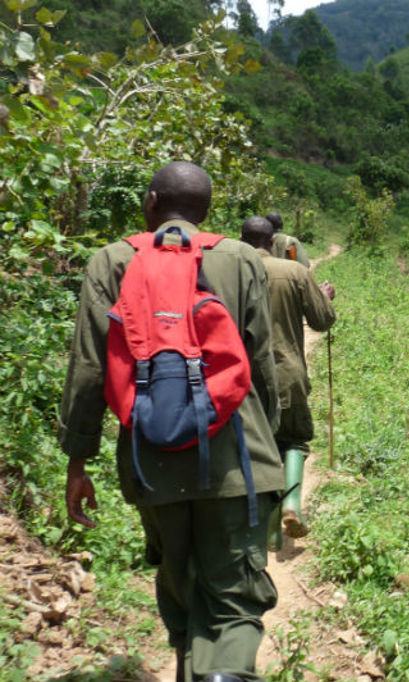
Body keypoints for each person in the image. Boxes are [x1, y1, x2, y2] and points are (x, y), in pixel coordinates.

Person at [60, 162, 282, 682]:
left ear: (151, 201)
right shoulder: (240, 258)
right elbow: (261, 364)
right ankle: (224, 672)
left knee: (180, 588)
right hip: (237, 462)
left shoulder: (111, 261)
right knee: (233, 603)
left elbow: (90, 370)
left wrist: (78, 461)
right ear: (207, 211)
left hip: (151, 463)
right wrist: (273, 440)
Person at [240, 216, 335, 541]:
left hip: (240, 381)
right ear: (273, 240)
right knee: (293, 440)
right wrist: (325, 297)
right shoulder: (294, 271)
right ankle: (291, 503)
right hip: (286, 375)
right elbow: (322, 322)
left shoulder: (227, 272)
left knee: (258, 447)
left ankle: (266, 530)